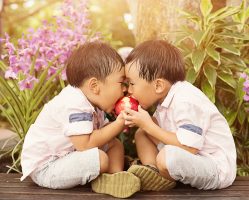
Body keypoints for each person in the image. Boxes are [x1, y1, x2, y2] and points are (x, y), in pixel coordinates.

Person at [20, 41, 141, 198]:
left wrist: (122, 122)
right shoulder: (74, 103)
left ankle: (115, 178)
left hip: (69, 157)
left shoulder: (94, 103)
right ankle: (109, 177)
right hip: (48, 168)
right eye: (121, 82)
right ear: (94, 86)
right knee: (100, 158)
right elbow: (85, 144)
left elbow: (102, 135)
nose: (125, 89)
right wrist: (118, 125)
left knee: (114, 144)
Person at [124, 40, 237, 191]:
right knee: (141, 133)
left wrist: (149, 125)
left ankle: (159, 172)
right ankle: (152, 173)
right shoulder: (164, 99)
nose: (129, 91)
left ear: (158, 86)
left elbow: (189, 148)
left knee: (166, 156)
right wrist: (144, 124)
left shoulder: (186, 100)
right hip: (190, 159)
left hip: (214, 168)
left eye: (132, 84)